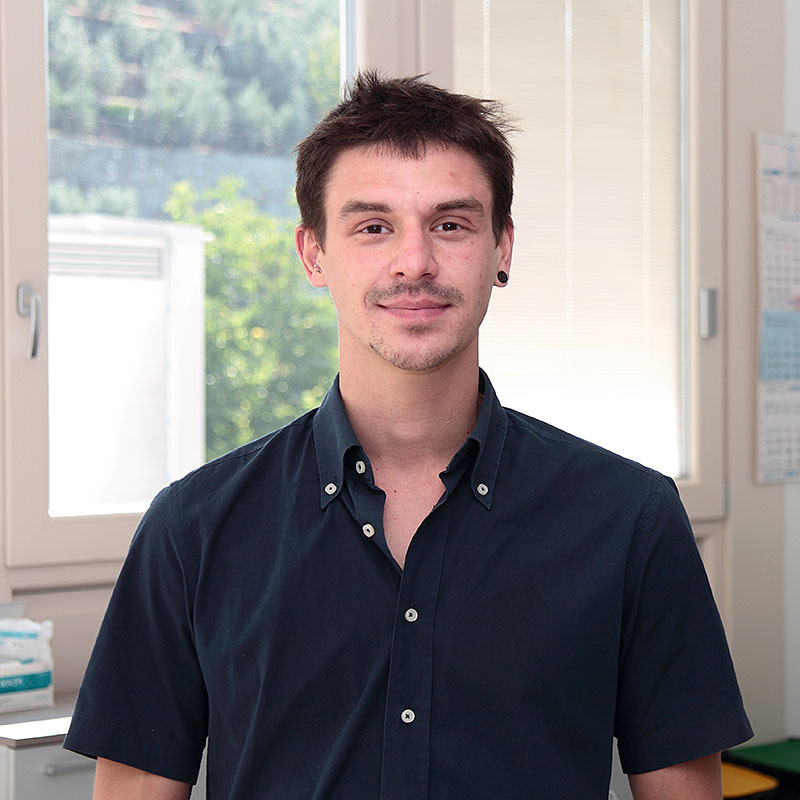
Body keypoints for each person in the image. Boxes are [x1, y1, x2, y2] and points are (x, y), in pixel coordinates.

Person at [65, 71, 752, 799]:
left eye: (451, 224)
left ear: (502, 249)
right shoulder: (192, 529)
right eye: (373, 226)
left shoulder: (631, 519)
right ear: (313, 255)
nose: (414, 262)